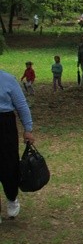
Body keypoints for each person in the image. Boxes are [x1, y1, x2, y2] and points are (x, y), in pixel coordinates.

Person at [0, 70, 36, 223]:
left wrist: (28, 129)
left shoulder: (8, 80)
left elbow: (21, 105)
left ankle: (11, 197)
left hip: (4, 125)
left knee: (8, 165)